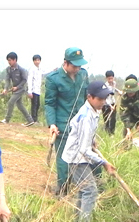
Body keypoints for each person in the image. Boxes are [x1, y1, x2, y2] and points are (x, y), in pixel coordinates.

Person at [61, 81, 117, 222]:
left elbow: (82, 133)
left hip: (81, 155)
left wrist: (92, 140)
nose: (103, 102)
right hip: (76, 158)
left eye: (104, 99)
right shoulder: (86, 116)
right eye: (100, 99)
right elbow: (84, 150)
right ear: (90, 97)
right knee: (90, 191)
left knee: (83, 191)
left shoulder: (94, 110)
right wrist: (104, 163)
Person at [44, 47, 90, 196]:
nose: (77, 68)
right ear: (66, 63)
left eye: (79, 65)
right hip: (63, 125)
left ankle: (81, 187)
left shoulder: (83, 75)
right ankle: (62, 190)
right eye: (75, 65)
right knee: (64, 159)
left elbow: (86, 99)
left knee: (82, 157)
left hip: (82, 124)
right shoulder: (53, 78)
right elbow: (50, 103)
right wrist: (52, 124)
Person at [0, 52, 33, 126]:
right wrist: (5, 89)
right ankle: (30, 120)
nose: (9, 62)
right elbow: (7, 80)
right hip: (14, 89)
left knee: (11, 102)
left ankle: (7, 119)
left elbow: (24, 80)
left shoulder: (21, 69)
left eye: (10, 60)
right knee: (19, 105)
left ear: (15, 60)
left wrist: (17, 87)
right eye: (8, 60)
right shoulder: (8, 69)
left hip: (21, 89)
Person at [26, 54, 53, 125]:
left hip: (38, 90)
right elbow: (30, 80)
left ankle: (35, 119)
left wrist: (53, 69)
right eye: (36, 60)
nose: (37, 62)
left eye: (38, 60)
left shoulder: (39, 68)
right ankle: (33, 119)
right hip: (33, 90)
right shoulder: (32, 69)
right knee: (34, 105)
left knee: (37, 104)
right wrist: (29, 91)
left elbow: (45, 72)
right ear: (33, 61)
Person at [102, 70, 122, 135]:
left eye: (112, 78)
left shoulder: (114, 83)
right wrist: (110, 106)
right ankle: (107, 133)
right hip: (106, 104)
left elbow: (114, 89)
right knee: (106, 119)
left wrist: (118, 91)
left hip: (113, 102)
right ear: (106, 78)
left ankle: (112, 132)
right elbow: (104, 97)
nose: (110, 80)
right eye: (109, 78)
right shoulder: (104, 86)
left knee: (113, 119)